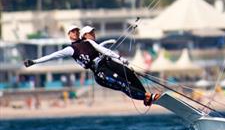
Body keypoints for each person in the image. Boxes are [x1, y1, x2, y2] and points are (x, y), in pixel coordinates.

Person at [25, 25, 159, 106]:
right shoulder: (70, 49)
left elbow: (103, 50)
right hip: (99, 72)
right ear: (69, 35)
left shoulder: (88, 42)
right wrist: (34, 62)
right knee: (123, 84)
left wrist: (120, 59)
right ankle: (146, 97)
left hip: (107, 64)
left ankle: (146, 95)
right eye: (73, 32)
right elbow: (52, 56)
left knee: (129, 73)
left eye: (77, 31)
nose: (75, 33)